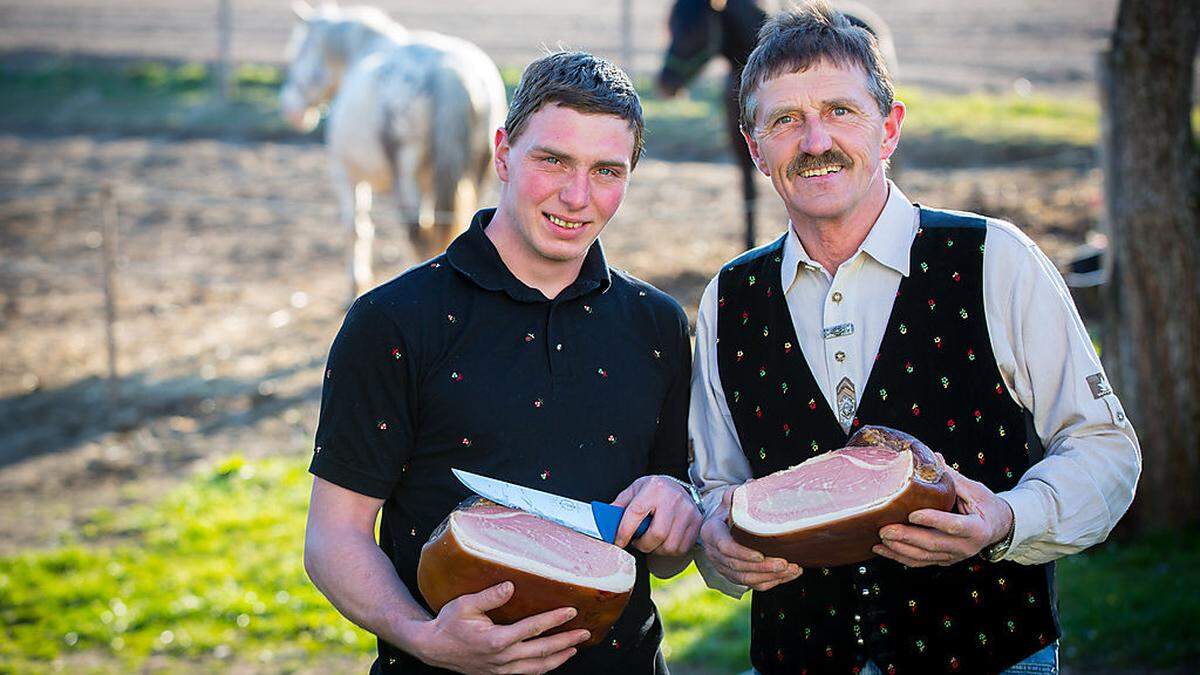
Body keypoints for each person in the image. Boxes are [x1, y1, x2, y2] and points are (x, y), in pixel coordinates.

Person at [688, 3, 1142, 673]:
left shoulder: (995, 259)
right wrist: (715, 544)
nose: (815, 141)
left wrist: (1007, 519)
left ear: (890, 127)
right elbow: (714, 486)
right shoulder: (728, 300)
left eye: (841, 111)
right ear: (755, 147)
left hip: (990, 654)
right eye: (785, 120)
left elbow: (1105, 448)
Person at [304, 51, 703, 675]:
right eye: (553, 160)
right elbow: (334, 537)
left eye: (606, 170)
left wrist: (679, 509)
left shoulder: (659, 326)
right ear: (502, 153)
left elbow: (667, 552)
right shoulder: (391, 320)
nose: (577, 197)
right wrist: (423, 635)